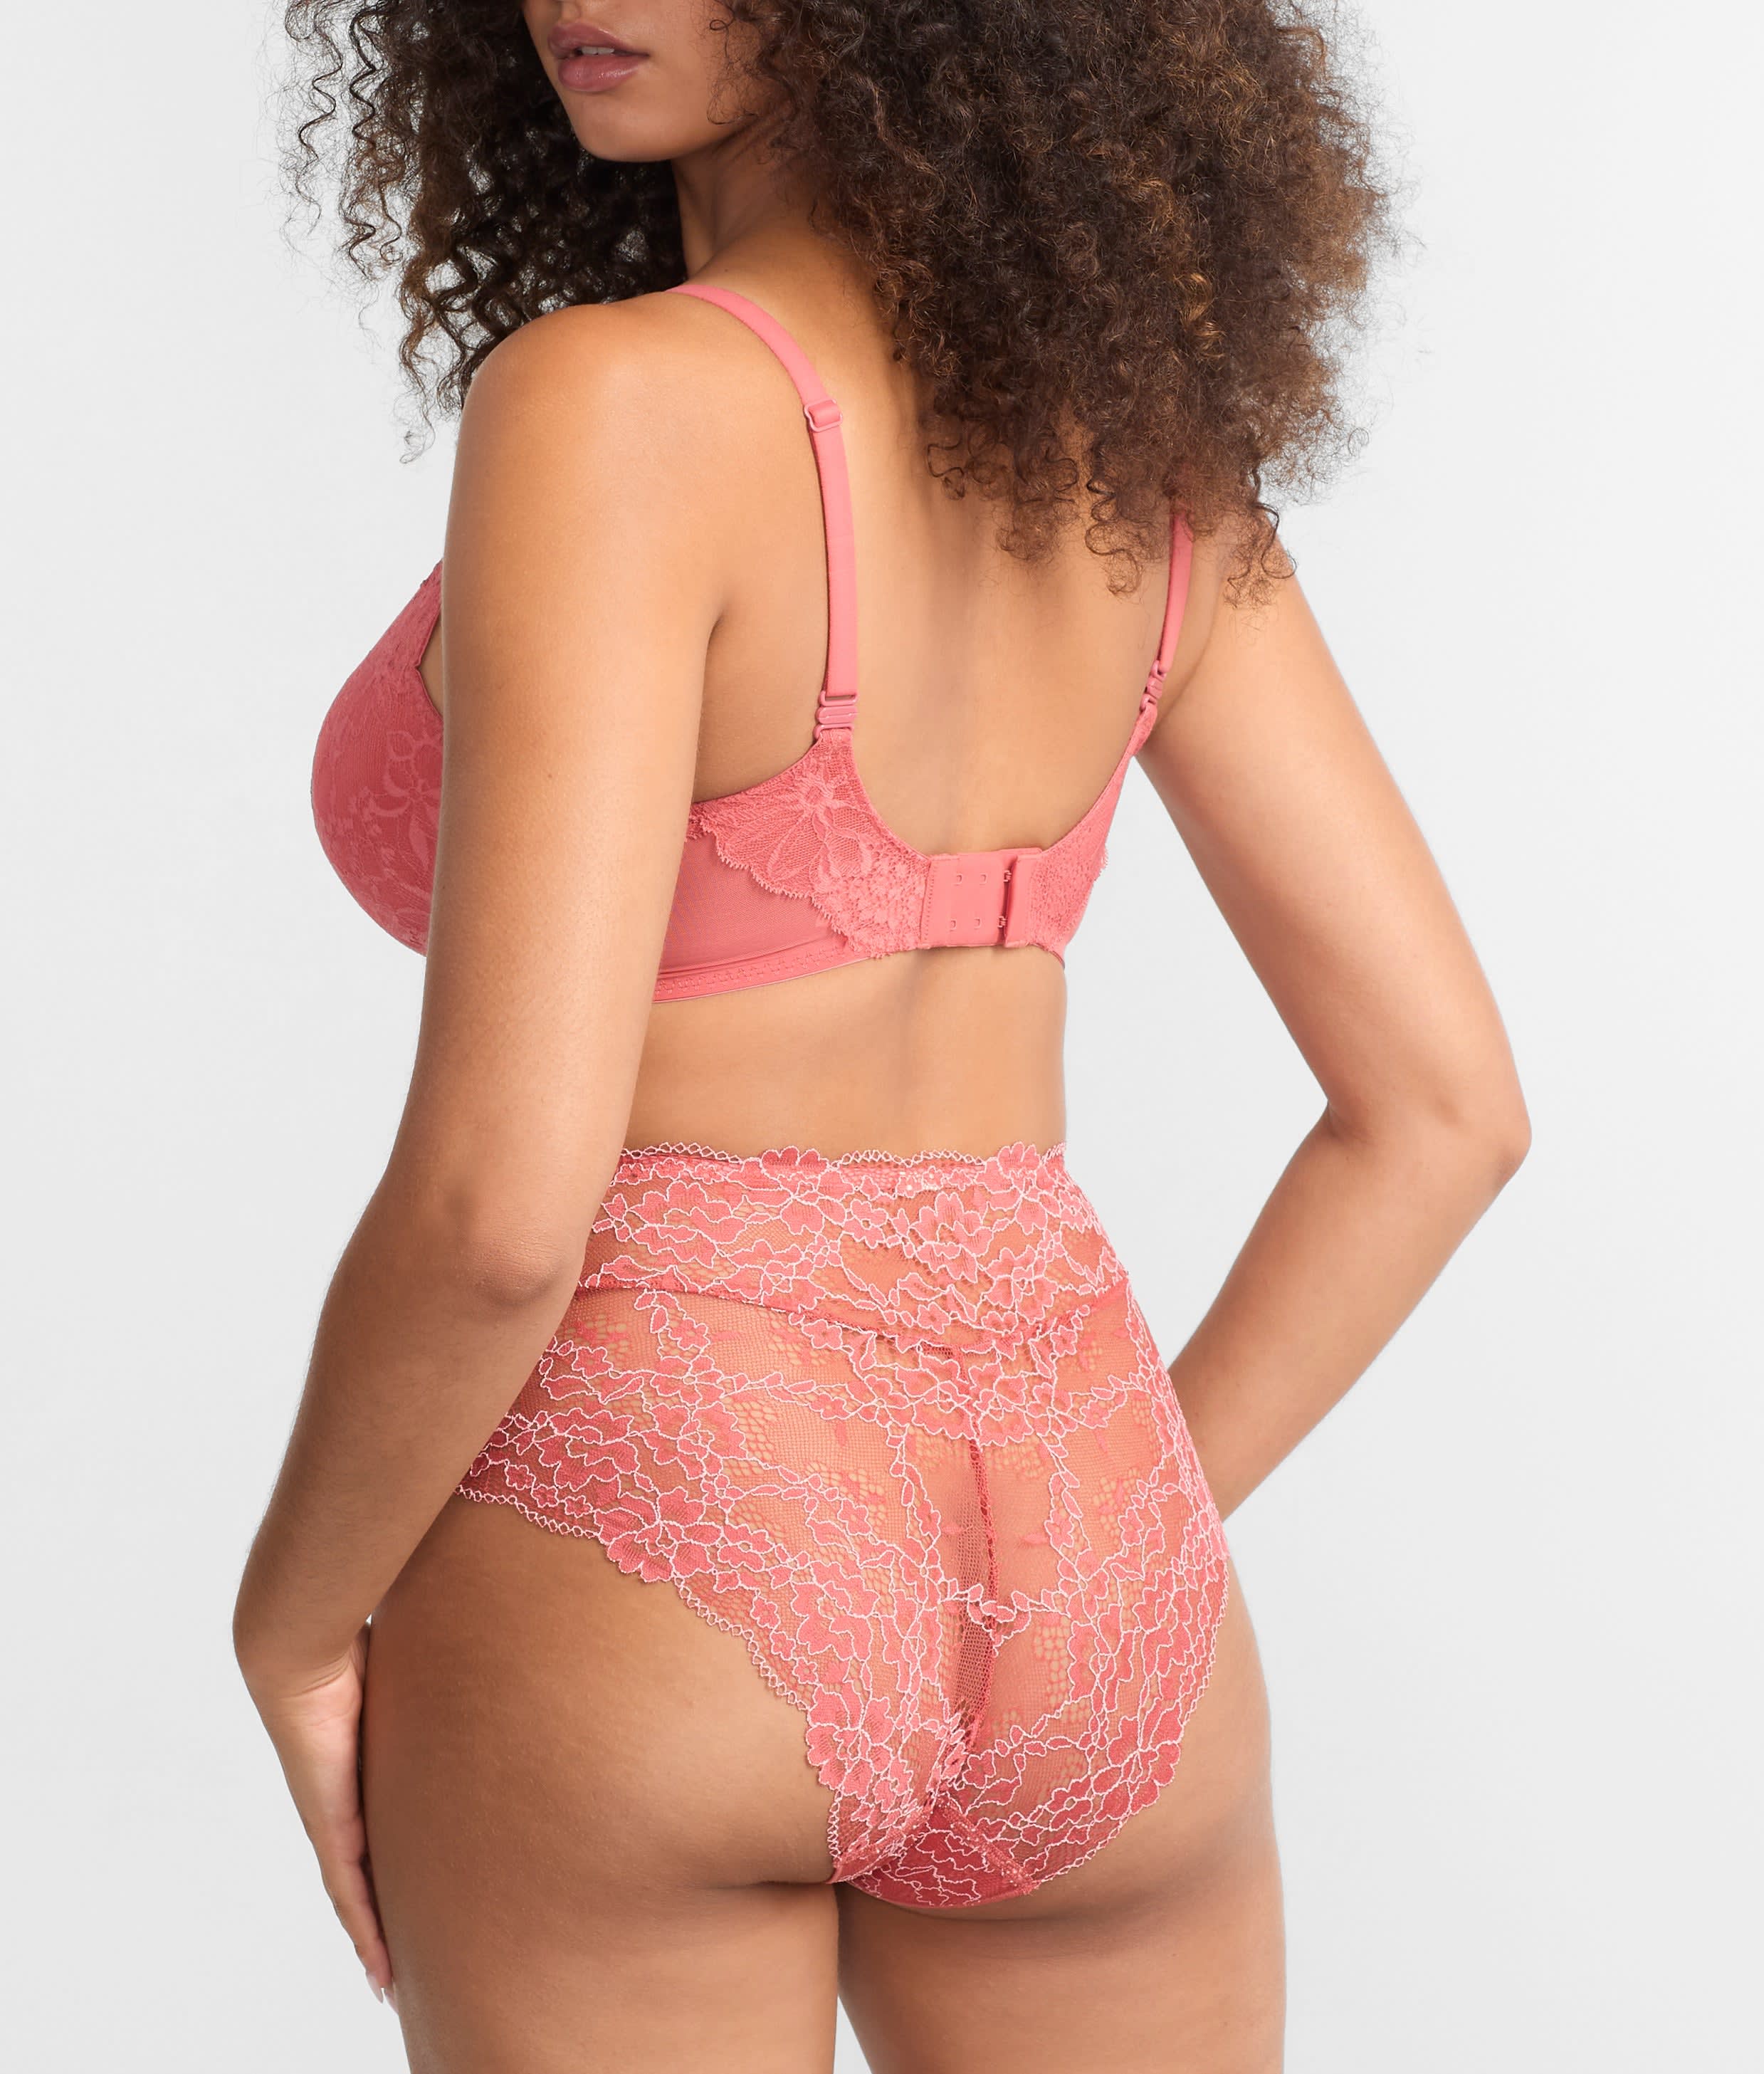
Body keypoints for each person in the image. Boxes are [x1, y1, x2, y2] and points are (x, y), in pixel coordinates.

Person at [234, 4, 1529, 2068]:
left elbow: (497, 1214)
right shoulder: (1145, 474)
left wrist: (294, 1621)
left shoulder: (610, 407)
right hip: (1090, 1581)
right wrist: (1116, 1542)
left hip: (652, 1546)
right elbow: (1445, 1106)